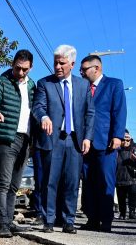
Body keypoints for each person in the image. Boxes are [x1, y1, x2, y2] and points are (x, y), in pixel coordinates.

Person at [32, 44, 95, 234]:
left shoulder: (83, 85)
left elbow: (90, 113)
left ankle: (69, 220)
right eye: (56, 63)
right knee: (50, 181)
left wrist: (88, 138)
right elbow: (38, 107)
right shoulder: (45, 84)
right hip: (53, 140)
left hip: (75, 140)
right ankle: (49, 220)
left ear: (72, 64)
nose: (58, 67)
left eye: (62, 63)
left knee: (72, 182)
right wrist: (43, 117)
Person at [0, 49, 36, 238]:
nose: (20, 73)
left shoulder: (32, 86)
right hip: (6, 138)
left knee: (15, 185)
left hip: (26, 140)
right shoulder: (0, 82)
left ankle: (9, 220)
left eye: (25, 70)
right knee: (4, 183)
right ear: (12, 64)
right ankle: (2, 223)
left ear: (31, 68)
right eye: (17, 68)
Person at [78, 55, 128, 232]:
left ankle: (106, 221)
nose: (81, 72)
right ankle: (92, 219)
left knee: (106, 181)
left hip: (106, 142)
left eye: (84, 69)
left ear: (96, 68)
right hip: (85, 143)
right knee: (89, 182)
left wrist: (117, 136)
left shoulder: (114, 84)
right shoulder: (82, 87)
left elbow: (119, 111)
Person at [115, 130, 136, 220]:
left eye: (128, 140)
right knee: (121, 196)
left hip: (133, 176)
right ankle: (122, 212)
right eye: (124, 139)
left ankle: (132, 211)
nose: (126, 142)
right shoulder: (116, 148)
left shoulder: (135, 147)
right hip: (120, 175)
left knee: (133, 195)